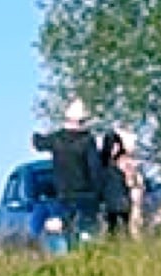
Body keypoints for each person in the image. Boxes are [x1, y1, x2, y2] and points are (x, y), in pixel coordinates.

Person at [32, 97, 104, 242]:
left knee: (67, 233)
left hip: (64, 195)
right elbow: (95, 170)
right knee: (87, 233)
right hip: (87, 196)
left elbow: (39, 143)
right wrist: (100, 194)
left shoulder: (56, 139)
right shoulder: (87, 141)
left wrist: (35, 136)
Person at [99, 129, 133, 236]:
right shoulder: (102, 162)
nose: (115, 149)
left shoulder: (123, 160)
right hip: (109, 198)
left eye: (117, 146)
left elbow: (129, 181)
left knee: (126, 226)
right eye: (113, 146)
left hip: (122, 197)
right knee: (112, 227)